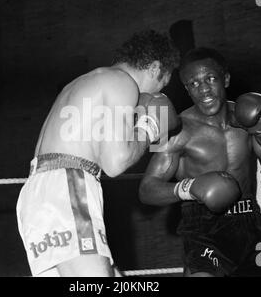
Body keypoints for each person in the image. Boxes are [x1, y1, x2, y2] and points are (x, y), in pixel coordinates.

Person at [16, 30, 180, 277]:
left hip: (42, 192)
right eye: (161, 85)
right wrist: (150, 126)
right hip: (69, 187)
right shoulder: (122, 83)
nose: (155, 94)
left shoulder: (84, 81)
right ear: (156, 68)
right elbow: (116, 162)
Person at [139, 47, 261, 277]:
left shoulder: (246, 118)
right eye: (194, 84)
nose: (204, 90)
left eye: (210, 78)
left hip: (252, 226)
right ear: (187, 89)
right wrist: (189, 188)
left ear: (226, 79)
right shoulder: (177, 130)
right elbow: (147, 189)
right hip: (204, 231)